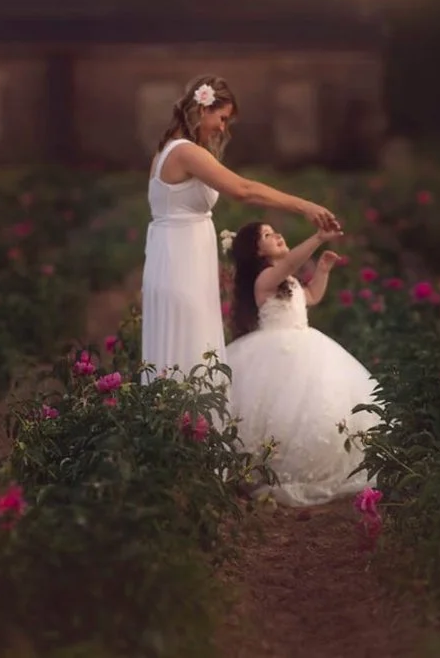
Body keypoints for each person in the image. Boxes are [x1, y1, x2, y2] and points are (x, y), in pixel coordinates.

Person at [140, 75, 341, 385]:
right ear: (202, 108)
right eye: (221, 118)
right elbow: (244, 190)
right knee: (187, 343)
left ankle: (184, 421)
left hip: (177, 256)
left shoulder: (170, 150)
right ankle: (186, 421)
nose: (223, 128)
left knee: (189, 344)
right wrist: (305, 207)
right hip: (180, 261)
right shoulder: (184, 151)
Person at [221, 221, 379, 506]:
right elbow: (291, 263)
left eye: (274, 231)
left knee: (316, 405)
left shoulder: (288, 281)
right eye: (267, 236)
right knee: (280, 408)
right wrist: (318, 238)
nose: (278, 235)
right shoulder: (266, 278)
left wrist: (323, 271)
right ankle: (277, 468)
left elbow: (312, 297)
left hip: (304, 344)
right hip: (275, 353)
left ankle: (317, 464)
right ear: (255, 252)